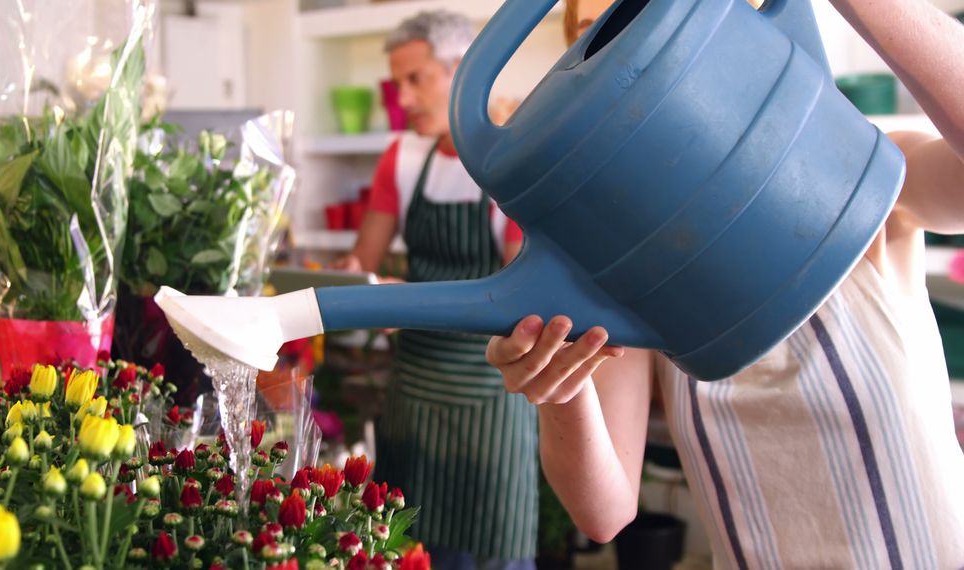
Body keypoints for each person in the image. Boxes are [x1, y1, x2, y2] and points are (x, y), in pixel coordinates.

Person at [486, 0, 964, 567]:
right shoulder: (628, 268)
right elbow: (605, 513)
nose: (629, 68)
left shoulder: (854, 166)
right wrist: (561, 390)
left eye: (643, 23)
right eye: (602, 43)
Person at [333, 10, 537, 570]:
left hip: (493, 395)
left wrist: (409, 302)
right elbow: (363, 260)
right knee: (409, 550)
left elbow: (521, 300)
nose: (402, 97)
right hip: (413, 396)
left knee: (495, 554)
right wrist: (353, 277)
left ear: (463, 71)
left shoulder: (507, 163)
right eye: (397, 83)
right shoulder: (401, 159)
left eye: (415, 79)